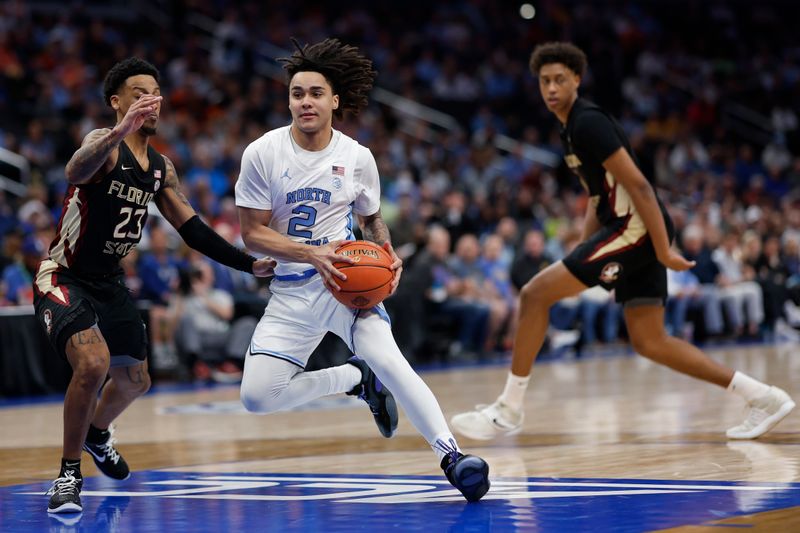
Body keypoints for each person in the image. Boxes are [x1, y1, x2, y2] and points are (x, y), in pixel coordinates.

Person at [451, 42, 794, 441]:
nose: (551, 87)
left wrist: (664, 248)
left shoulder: (588, 123)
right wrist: (581, 249)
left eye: (560, 79)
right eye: (545, 81)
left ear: (577, 80)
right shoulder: (568, 128)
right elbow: (598, 196)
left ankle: (509, 409)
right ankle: (763, 397)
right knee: (651, 341)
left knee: (532, 295)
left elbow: (640, 185)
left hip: (637, 231)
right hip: (631, 231)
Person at [235, 38, 489, 502]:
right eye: (297, 93)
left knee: (391, 360)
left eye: (315, 93)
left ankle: (452, 456)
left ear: (335, 100)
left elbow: (371, 218)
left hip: (344, 287)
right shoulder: (262, 154)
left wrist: (386, 252)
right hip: (291, 291)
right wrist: (311, 254)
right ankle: (355, 379)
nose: (305, 101)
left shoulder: (357, 157)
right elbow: (251, 233)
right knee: (256, 398)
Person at [34, 58, 275, 514]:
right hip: (63, 276)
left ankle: (97, 434)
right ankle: (68, 475)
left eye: (156, 92)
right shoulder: (103, 144)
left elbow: (193, 229)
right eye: (139, 92)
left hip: (109, 281)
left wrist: (248, 264)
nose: (151, 100)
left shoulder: (162, 168)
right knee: (93, 363)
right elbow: (73, 172)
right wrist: (121, 129)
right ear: (117, 102)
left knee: (135, 380)